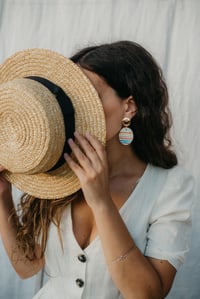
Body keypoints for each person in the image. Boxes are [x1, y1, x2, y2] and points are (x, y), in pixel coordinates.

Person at [0, 41, 194, 299]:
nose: (74, 108)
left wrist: (102, 202)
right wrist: (2, 196)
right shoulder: (58, 170)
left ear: (129, 107)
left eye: (90, 95)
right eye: (72, 95)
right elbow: (28, 266)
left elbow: (146, 294)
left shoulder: (171, 185)